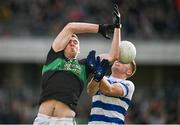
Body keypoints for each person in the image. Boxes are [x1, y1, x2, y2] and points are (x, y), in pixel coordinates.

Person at [33, 5, 121, 125]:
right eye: (69, 41)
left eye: (75, 42)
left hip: (65, 121)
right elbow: (70, 27)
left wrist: (117, 28)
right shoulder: (54, 56)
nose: (72, 43)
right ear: (62, 46)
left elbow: (113, 55)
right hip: (42, 119)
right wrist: (101, 28)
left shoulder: (85, 65)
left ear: (79, 49)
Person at [87, 5, 136, 125]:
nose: (118, 60)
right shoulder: (104, 77)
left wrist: (98, 73)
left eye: (124, 61)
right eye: (119, 59)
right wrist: (117, 27)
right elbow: (90, 90)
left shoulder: (128, 85)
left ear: (129, 72)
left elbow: (109, 89)